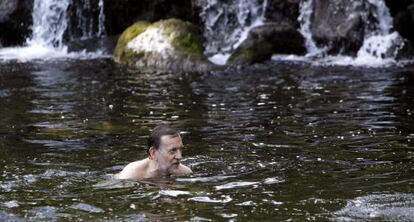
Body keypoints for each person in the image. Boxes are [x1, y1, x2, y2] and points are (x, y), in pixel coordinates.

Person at [115, 124, 192, 180]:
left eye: (180, 149)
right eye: (172, 150)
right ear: (153, 153)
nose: (180, 156)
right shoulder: (131, 174)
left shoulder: (185, 172)